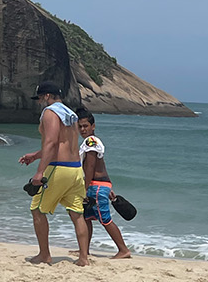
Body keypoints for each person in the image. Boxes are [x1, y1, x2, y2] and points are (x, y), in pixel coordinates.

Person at [18, 82, 91, 266]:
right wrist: (35, 156)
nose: (39, 103)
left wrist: (40, 171)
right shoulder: (70, 115)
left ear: (47, 96)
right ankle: (83, 258)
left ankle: (44, 255)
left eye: (40, 99)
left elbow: (51, 143)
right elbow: (62, 144)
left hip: (58, 169)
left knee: (37, 210)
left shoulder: (50, 113)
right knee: (77, 214)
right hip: (75, 170)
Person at [77, 111, 131, 260]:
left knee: (105, 219)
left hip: (96, 185)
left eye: (85, 126)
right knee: (86, 217)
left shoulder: (91, 142)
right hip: (99, 185)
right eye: (80, 126)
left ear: (93, 126)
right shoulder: (89, 142)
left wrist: (85, 188)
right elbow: (101, 166)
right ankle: (84, 250)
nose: (82, 129)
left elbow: (90, 166)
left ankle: (123, 250)